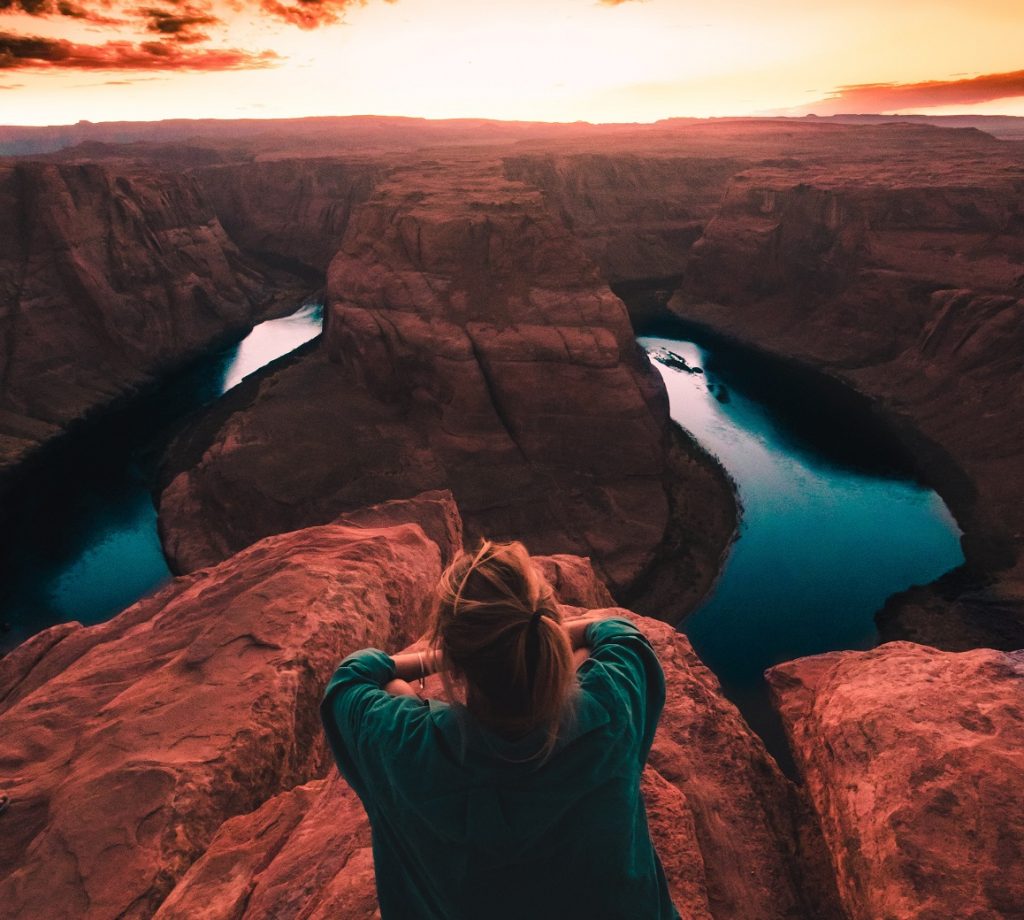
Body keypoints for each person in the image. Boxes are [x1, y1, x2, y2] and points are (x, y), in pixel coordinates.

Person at [320, 538, 681, 919]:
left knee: (392, 689)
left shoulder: (404, 745)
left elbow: (353, 677)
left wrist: (441, 658)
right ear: (543, 624)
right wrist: (537, 636)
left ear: (458, 658)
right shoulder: (610, 706)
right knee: (578, 666)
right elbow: (615, 633)